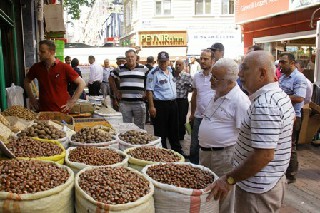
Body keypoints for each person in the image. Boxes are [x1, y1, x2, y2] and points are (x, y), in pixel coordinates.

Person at [205, 51, 295, 213]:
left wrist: (229, 179)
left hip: (257, 189)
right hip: (268, 181)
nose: (240, 74)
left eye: (245, 69)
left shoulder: (265, 104)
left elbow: (264, 155)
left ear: (261, 73)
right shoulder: (278, 96)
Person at [199, 58, 250, 213]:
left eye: (215, 78)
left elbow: (245, 136)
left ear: (229, 81)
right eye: (212, 76)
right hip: (207, 153)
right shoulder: (217, 93)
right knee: (208, 193)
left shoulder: (240, 101)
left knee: (223, 196)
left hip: (224, 156)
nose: (211, 80)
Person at [24, 40, 85, 112]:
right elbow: (26, 81)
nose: (39, 54)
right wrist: (32, 98)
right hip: (43, 111)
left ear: (51, 52)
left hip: (61, 111)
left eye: (42, 52)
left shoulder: (64, 67)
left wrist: (72, 101)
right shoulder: (36, 67)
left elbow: (82, 83)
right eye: (39, 51)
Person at [146, 51, 183, 154]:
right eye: (161, 62)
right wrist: (151, 107)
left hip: (173, 104)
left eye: (165, 61)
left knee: (174, 128)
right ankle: (163, 151)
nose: (163, 64)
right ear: (157, 61)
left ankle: (177, 150)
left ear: (168, 61)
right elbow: (149, 91)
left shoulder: (171, 70)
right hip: (160, 105)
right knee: (161, 130)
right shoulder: (153, 73)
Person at [279, 53, 307, 183]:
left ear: (292, 63)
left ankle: (291, 174)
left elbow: (299, 98)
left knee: (290, 145)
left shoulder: (298, 78)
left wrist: (280, 97)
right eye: (280, 62)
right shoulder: (283, 77)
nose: (280, 65)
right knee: (282, 144)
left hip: (293, 116)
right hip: (281, 115)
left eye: (284, 62)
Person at [109, 49, 148, 129]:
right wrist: (116, 91)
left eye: (132, 57)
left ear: (136, 57)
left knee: (139, 127)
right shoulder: (120, 69)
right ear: (125, 59)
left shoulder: (144, 68)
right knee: (126, 127)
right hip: (125, 103)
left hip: (139, 103)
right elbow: (111, 77)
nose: (130, 59)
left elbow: (150, 80)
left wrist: (146, 91)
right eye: (128, 57)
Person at [189, 49, 215, 164]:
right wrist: (192, 113)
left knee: (210, 145)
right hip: (198, 117)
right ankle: (192, 169)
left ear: (213, 60)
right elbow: (195, 95)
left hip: (213, 118)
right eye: (201, 58)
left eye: (206, 59)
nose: (202, 61)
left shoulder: (216, 76)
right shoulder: (197, 76)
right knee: (194, 145)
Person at [174, 59, 193, 141]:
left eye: (179, 65)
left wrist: (187, 88)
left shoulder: (188, 76)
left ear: (183, 66)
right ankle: (173, 134)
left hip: (182, 101)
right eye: (176, 65)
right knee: (173, 118)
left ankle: (181, 136)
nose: (178, 66)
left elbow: (192, 88)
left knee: (181, 119)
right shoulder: (171, 75)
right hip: (173, 101)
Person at [145, 56, 155, 124]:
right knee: (151, 104)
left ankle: (146, 118)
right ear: (153, 62)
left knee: (145, 105)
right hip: (151, 89)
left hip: (143, 89)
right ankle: (152, 119)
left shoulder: (143, 68)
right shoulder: (153, 70)